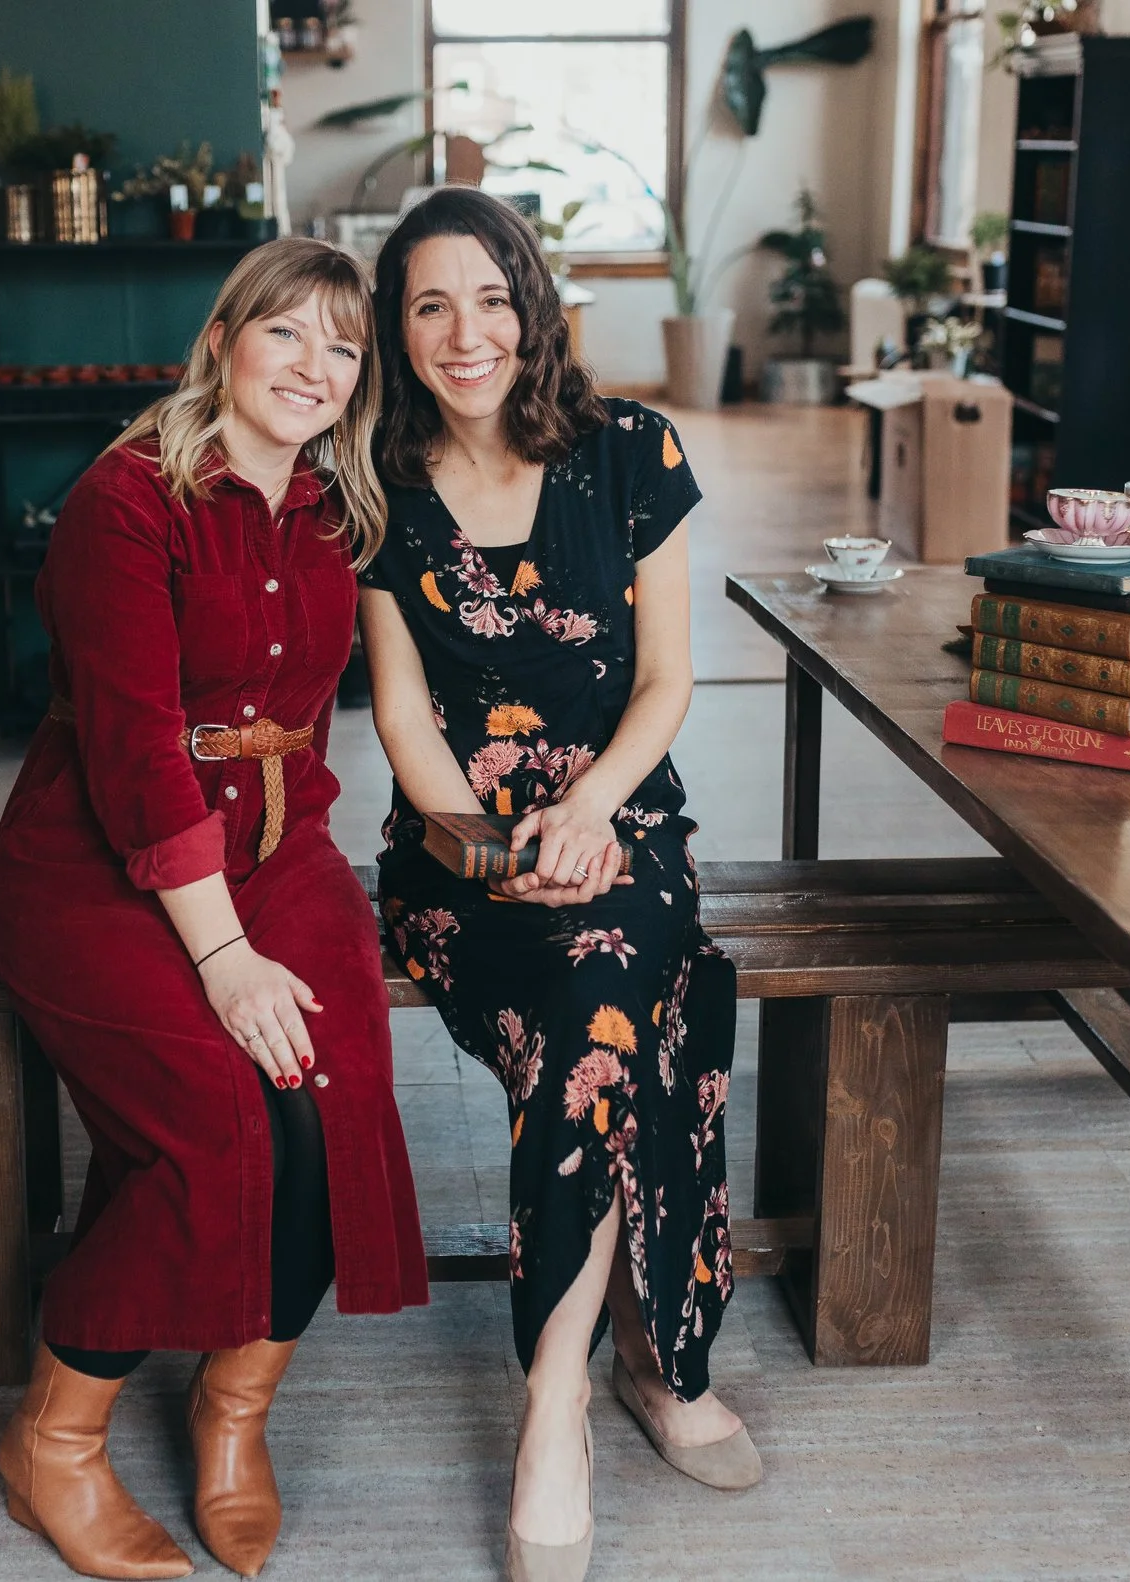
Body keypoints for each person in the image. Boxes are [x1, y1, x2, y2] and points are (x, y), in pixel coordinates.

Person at [0, 237, 428, 1581]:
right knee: (232, 1120)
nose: (313, 366)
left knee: (336, 1101)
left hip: (283, 851)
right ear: (225, 339)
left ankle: (231, 1412)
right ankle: (54, 1441)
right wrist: (225, 957)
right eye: (286, 332)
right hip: (97, 864)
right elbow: (134, 754)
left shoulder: (340, 510)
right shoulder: (126, 500)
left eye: (342, 346)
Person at [357, 188, 753, 1582]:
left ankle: (555, 1400)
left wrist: (586, 812)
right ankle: (643, 1362)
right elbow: (404, 720)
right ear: (398, 331)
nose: (465, 332)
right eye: (430, 304)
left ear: (531, 307)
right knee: (608, 1011)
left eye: (491, 297)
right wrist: (493, 846)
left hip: (625, 826)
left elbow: (669, 679)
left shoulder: (631, 450)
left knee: (606, 997)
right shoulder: (379, 486)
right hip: (457, 853)